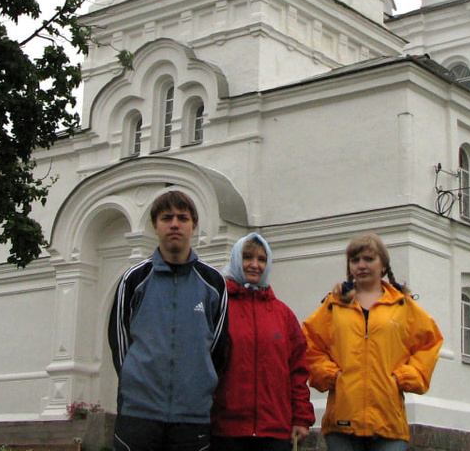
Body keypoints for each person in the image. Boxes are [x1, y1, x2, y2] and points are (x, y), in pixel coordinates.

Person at [108, 190, 230, 451]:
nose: (175, 224)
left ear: (194, 225)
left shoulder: (213, 283)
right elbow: (119, 343)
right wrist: (134, 386)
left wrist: (199, 386)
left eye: (183, 218)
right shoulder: (134, 280)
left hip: (192, 417)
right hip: (139, 415)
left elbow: (219, 349)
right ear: (155, 226)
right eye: (167, 218)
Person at [302, 233, 443, 451]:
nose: (362, 265)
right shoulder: (334, 304)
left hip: (388, 423)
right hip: (342, 422)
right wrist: (332, 376)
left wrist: (404, 377)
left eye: (369, 259)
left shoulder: (403, 306)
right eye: (355, 260)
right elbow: (310, 344)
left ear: (383, 265)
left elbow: (429, 343)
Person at [211, 233, 315, 451]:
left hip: (274, 430)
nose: (254, 265)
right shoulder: (218, 308)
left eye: (261, 259)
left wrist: (301, 417)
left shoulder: (282, 314)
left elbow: (297, 370)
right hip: (227, 431)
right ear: (235, 260)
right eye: (247, 257)